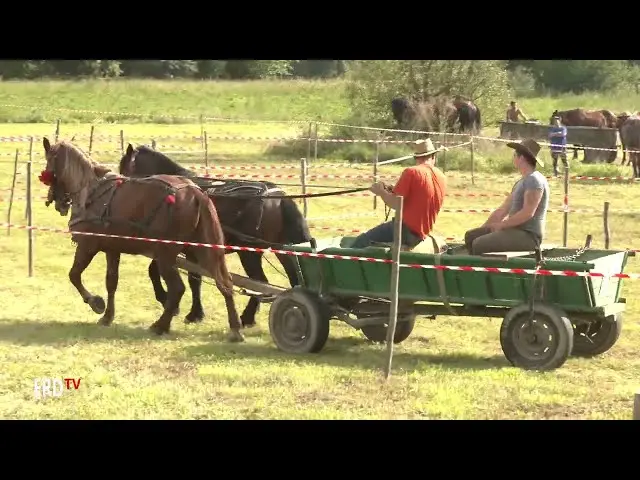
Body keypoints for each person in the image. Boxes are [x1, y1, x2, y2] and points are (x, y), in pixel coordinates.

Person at [350, 138, 447, 249]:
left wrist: (381, 191)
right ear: (433, 156)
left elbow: (395, 203)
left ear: (416, 157)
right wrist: (391, 190)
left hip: (405, 231)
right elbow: (418, 196)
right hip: (422, 232)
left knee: (361, 241)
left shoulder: (411, 172)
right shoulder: (442, 177)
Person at [463, 138, 549, 255]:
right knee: (471, 236)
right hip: (514, 231)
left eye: (515, 155)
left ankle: (487, 272)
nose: (513, 158)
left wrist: (502, 225)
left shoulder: (534, 180)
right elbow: (502, 210)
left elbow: (528, 213)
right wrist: (483, 229)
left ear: (521, 158)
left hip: (528, 235)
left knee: (479, 244)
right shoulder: (521, 182)